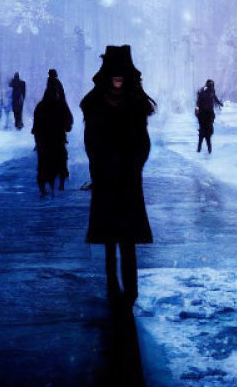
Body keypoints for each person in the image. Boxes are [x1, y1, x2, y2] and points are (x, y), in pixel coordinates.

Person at [83, 45, 155, 307]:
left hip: (127, 178)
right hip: (105, 177)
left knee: (127, 238)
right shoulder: (95, 104)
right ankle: (113, 285)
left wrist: (133, 165)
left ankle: (131, 289)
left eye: (120, 74)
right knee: (110, 237)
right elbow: (90, 142)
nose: (117, 78)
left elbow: (143, 142)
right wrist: (100, 168)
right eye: (113, 74)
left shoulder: (135, 103)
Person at [32, 69, 74, 196]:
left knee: (44, 163)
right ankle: (60, 181)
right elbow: (68, 123)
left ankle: (44, 188)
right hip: (56, 138)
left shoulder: (41, 106)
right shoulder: (59, 101)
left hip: (45, 140)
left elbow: (36, 127)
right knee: (61, 158)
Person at [194, 79, 223, 154]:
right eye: (211, 85)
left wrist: (219, 103)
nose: (212, 86)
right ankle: (204, 150)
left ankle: (203, 150)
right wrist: (197, 111)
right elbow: (198, 103)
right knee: (205, 133)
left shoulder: (209, 92)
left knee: (205, 133)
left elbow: (215, 99)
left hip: (207, 114)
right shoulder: (204, 92)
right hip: (205, 114)